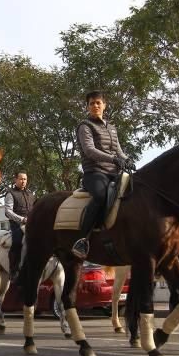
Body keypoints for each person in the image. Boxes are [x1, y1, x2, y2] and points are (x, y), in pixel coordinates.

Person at [72, 91, 134, 259]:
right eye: (92, 103)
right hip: (94, 172)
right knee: (100, 196)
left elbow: (119, 151)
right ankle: (82, 240)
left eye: (98, 103)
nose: (95, 106)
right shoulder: (85, 126)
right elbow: (89, 150)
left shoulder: (112, 127)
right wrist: (114, 159)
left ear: (104, 105)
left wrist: (128, 160)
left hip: (114, 172)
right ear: (87, 107)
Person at [4, 171, 35, 280]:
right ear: (15, 180)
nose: (23, 181)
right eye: (21, 179)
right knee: (17, 242)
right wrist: (22, 219)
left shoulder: (31, 194)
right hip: (17, 224)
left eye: (25, 179)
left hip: (31, 223)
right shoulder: (10, 193)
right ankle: (13, 270)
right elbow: (8, 211)